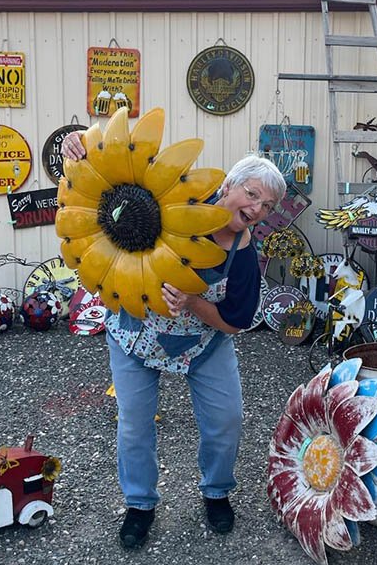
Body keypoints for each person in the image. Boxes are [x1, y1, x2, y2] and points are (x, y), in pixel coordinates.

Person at [62, 131, 286, 549]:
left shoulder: (243, 257)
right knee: (134, 425)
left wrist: (192, 303)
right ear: (227, 187)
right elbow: (112, 174)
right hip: (135, 335)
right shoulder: (169, 202)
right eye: (252, 194)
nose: (256, 208)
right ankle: (139, 505)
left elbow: (235, 323)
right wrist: (77, 144)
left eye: (266, 206)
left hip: (204, 345)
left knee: (225, 422)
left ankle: (217, 492)